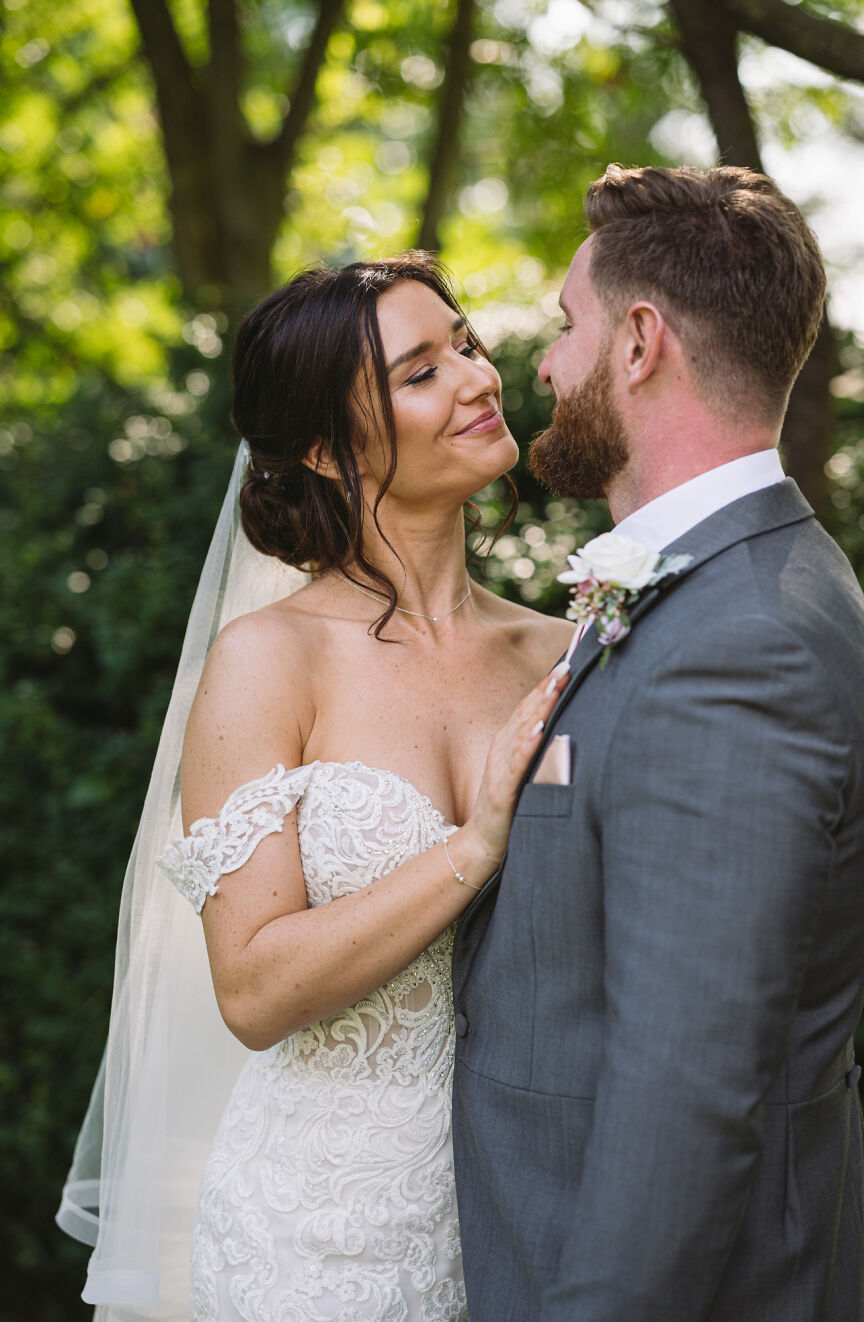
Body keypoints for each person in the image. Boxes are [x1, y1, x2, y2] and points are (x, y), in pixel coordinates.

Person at [57, 254, 573, 1321]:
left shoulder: (564, 654)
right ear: (324, 450)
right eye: (421, 371)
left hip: (528, 1211)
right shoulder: (267, 660)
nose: (479, 378)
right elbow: (250, 988)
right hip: (317, 1235)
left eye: (466, 344)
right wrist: (472, 847)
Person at [451, 164, 864, 1322]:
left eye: (562, 326)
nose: (537, 365)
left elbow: (685, 1092)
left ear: (638, 342)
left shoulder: (742, 643)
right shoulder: (737, 584)